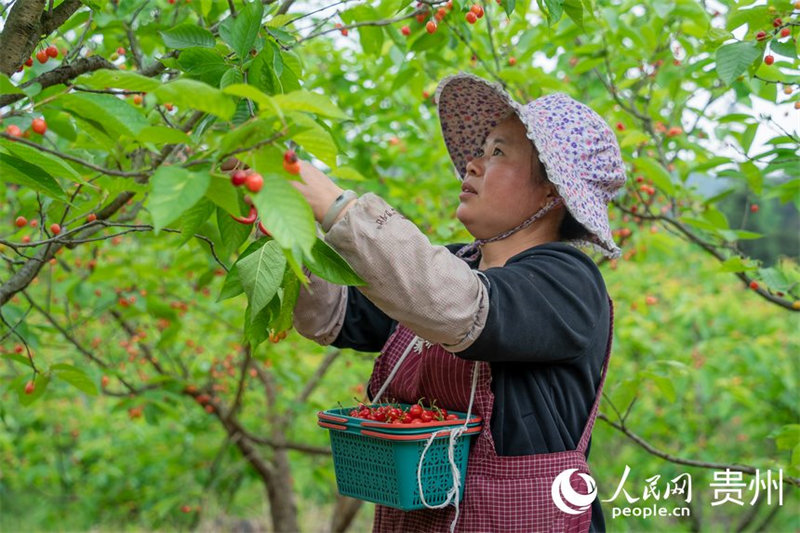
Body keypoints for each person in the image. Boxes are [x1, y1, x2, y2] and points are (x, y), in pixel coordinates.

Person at [290, 72, 626, 533]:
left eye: (499, 152)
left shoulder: (568, 282)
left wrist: (337, 206)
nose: (473, 163)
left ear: (552, 192)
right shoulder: (452, 263)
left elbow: (461, 307)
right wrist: (287, 224)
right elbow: (331, 316)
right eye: (482, 149)